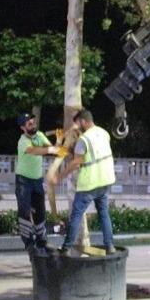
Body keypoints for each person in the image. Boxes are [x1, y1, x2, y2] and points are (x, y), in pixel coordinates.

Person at [58, 109, 117, 255]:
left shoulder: (83, 140)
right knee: (103, 213)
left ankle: (66, 247)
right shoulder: (104, 133)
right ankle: (110, 246)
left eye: (78, 124)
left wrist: (60, 176)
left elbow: (76, 163)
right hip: (105, 180)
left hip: (89, 184)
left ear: (83, 121)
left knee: (76, 215)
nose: (77, 127)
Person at [16, 112, 63, 254]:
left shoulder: (40, 135)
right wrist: (50, 149)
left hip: (37, 180)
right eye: (29, 124)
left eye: (33, 122)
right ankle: (29, 243)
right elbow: (34, 151)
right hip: (23, 180)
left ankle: (42, 242)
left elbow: (54, 150)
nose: (33, 125)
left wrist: (59, 140)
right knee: (24, 212)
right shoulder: (23, 141)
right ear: (23, 128)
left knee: (40, 212)